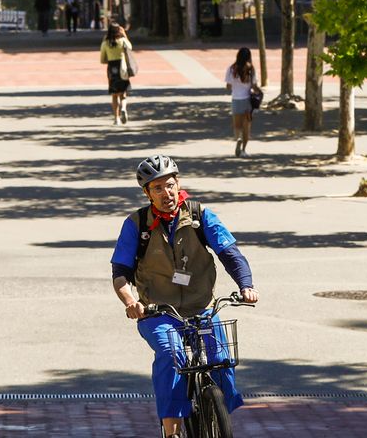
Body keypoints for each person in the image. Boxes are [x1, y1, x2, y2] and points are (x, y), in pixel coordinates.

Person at [111, 155, 258, 437]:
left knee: (221, 357)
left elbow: (230, 254)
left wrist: (246, 285)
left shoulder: (200, 215)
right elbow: (120, 272)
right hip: (158, 312)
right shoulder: (137, 224)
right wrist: (131, 302)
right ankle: (172, 430)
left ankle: (218, 413)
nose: (166, 193)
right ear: (147, 193)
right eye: (157, 188)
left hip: (201, 307)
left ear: (178, 183)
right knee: (171, 354)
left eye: (170, 185)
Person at [224, 49, 262, 156]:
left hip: (236, 100)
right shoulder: (251, 69)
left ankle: (238, 139)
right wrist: (259, 93)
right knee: (247, 127)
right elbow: (254, 86)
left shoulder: (231, 69)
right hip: (248, 102)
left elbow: (228, 86)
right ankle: (244, 150)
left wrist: (235, 86)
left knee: (237, 126)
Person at [100, 21, 135, 124]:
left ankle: (117, 118)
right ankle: (123, 108)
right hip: (122, 68)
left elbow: (102, 60)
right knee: (123, 94)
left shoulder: (105, 43)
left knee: (114, 95)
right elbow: (130, 47)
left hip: (112, 69)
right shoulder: (123, 41)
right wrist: (125, 35)